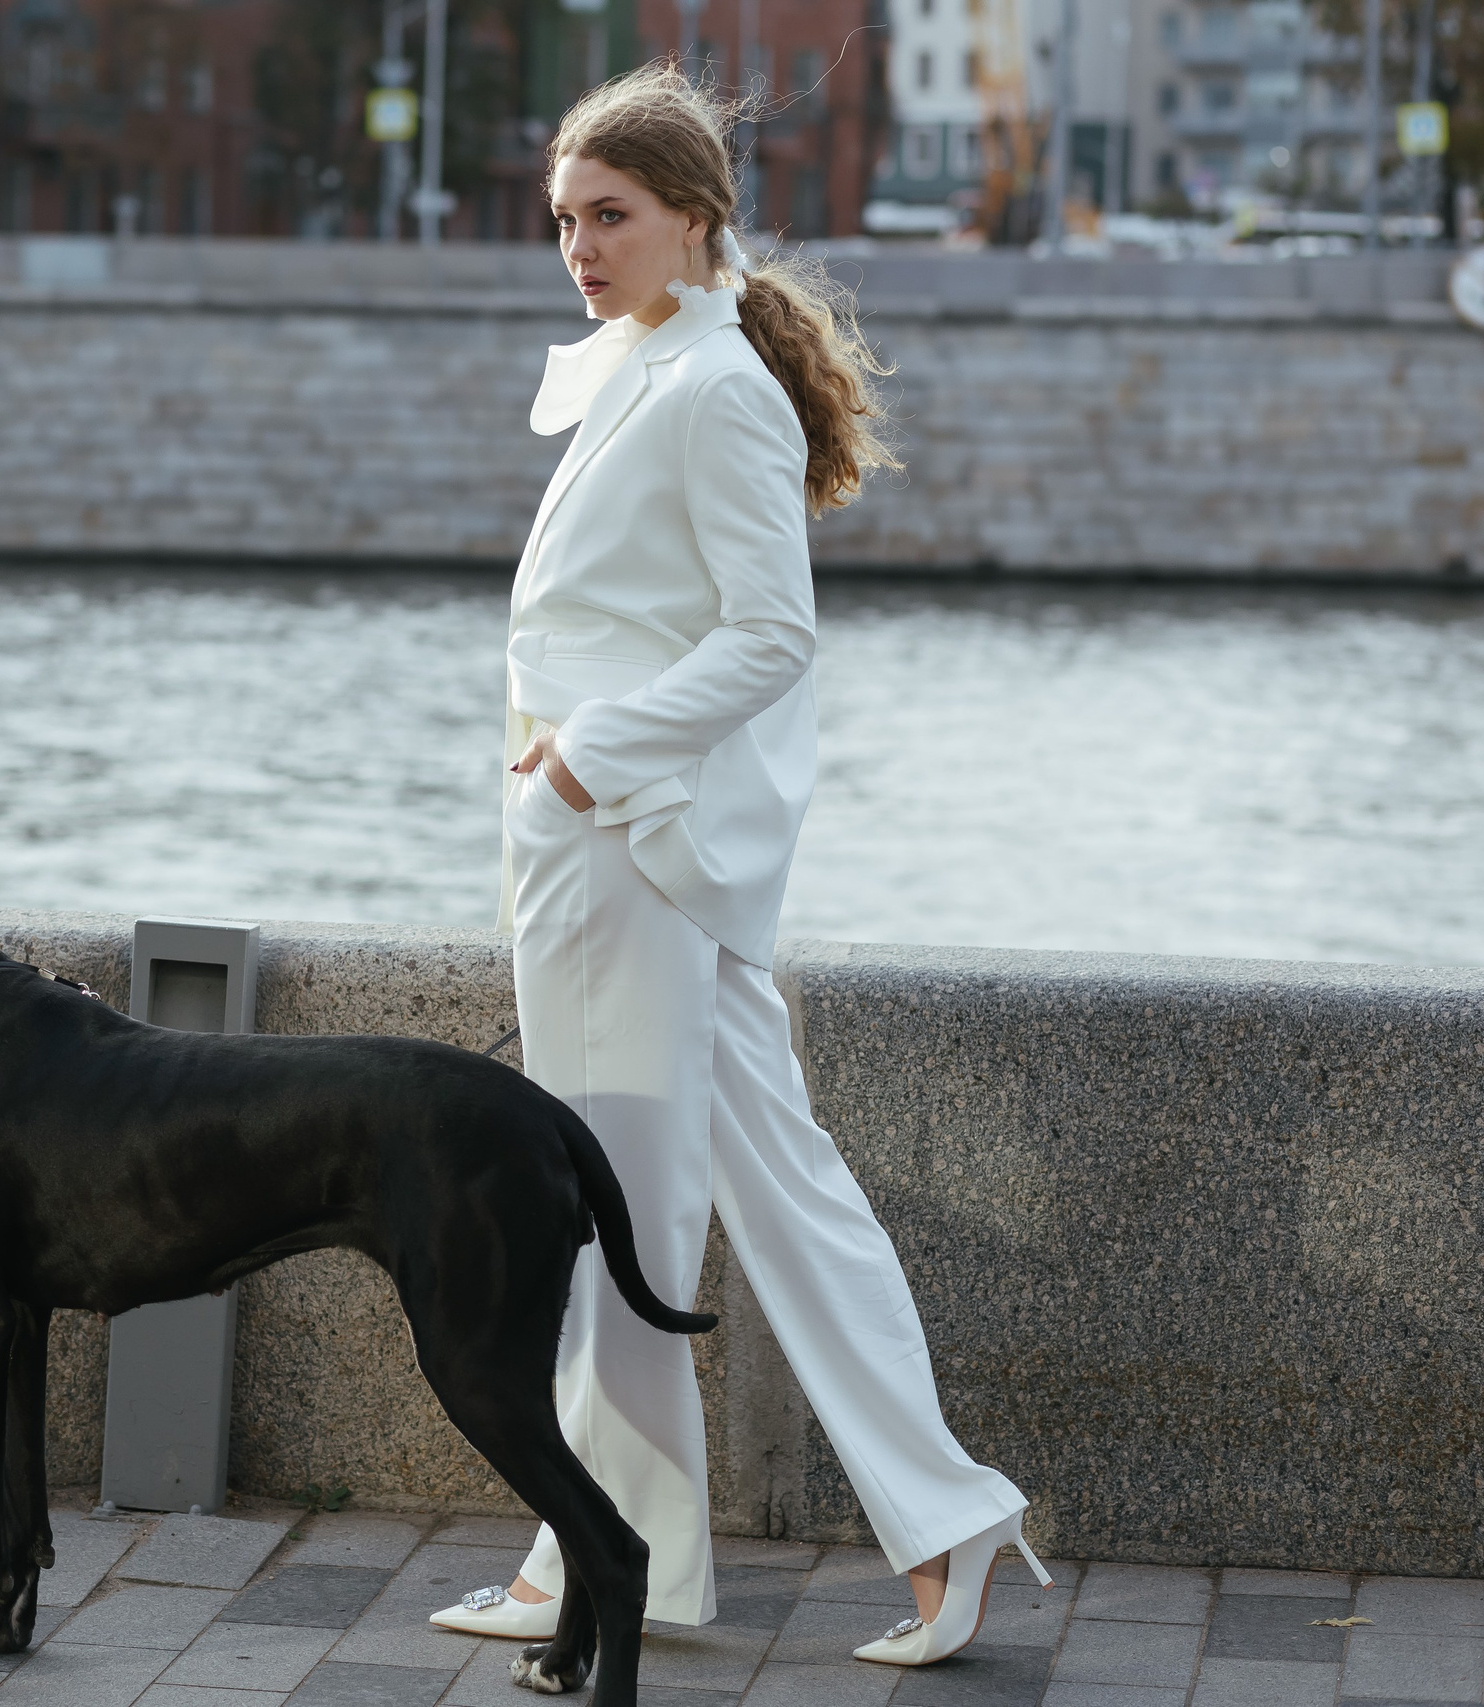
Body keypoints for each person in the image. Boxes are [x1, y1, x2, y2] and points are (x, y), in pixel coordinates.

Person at [428, 65, 1049, 1668]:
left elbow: (772, 638)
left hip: (635, 859)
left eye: (611, 216)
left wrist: (584, 757)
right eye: (565, 219)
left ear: (694, 215)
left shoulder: (710, 386)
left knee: (617, 1215)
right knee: (784, 1202)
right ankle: (948, 1518)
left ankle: (604, 1555)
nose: (580, 246)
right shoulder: (657, 365)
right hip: (641, 853)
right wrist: (567, 750)